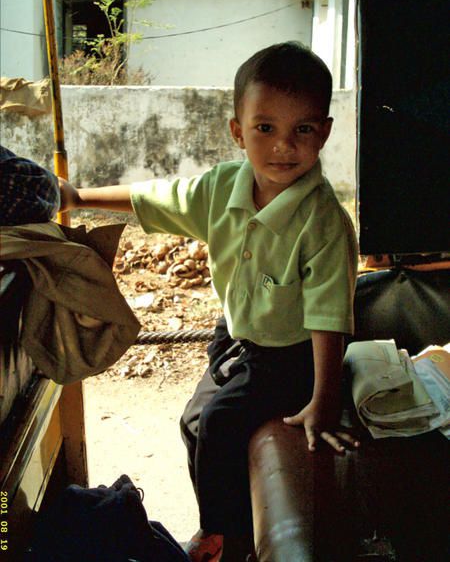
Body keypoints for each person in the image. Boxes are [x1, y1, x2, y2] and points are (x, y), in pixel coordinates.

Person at [59, 41, 359, 562]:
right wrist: (79, 196)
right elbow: (154, 197)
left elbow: (329, 317)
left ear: (324, 133)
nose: (283, 147)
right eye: (265, 128)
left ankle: (229, 538)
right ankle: (223, 520)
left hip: (293, 355)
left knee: (219, 423)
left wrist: (324, 401)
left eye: (302, 130)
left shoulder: (324, 221)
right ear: (237, 131)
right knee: (192, 423)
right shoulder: (223, 188)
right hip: (236, 336)